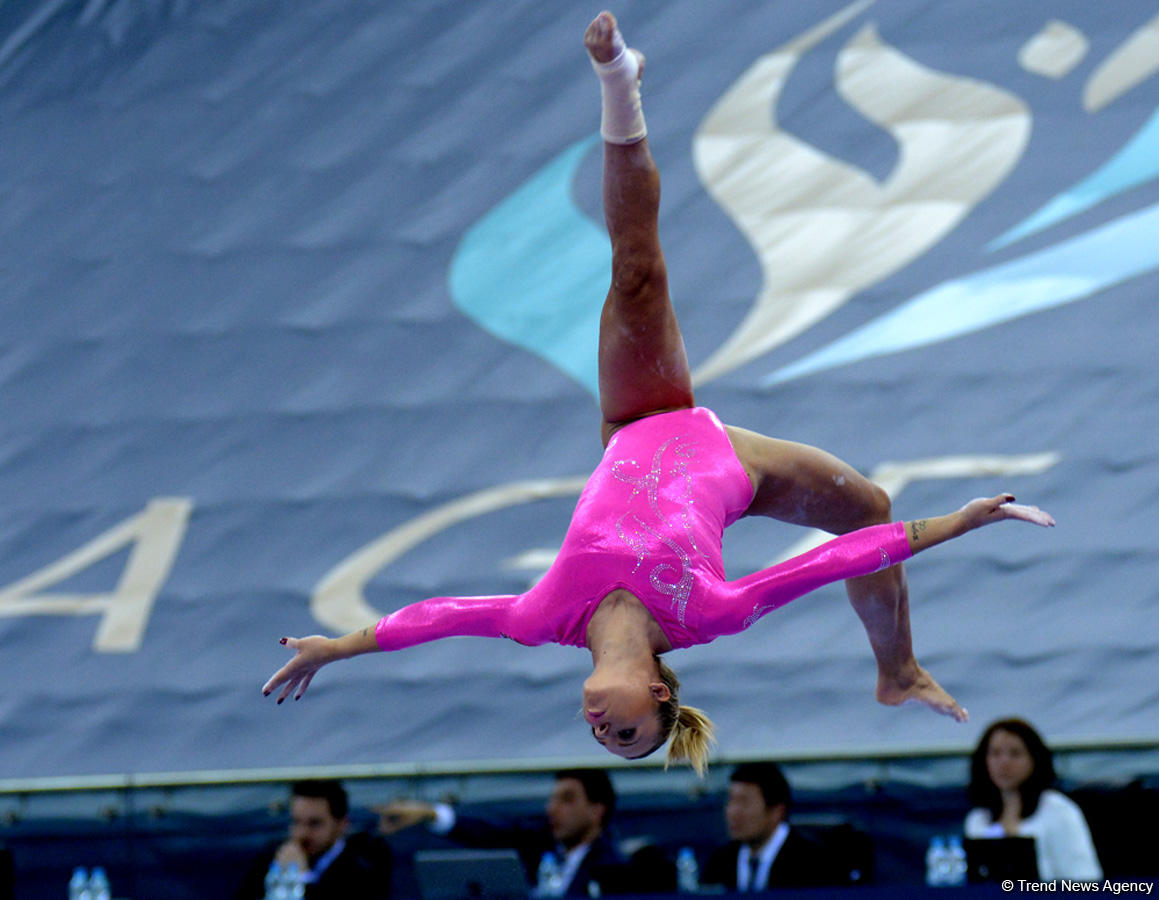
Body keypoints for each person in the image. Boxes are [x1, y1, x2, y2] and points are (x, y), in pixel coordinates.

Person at [262, 11, 1056, 775]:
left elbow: (433, 620)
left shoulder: (545, 619)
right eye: (629, 733)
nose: (601, 729)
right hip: (740, 467)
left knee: (635, 269)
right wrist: (955, 523)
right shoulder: (707, 612)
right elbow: (828, 563)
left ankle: (617, 79)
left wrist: (338, 647)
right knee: (869, 504)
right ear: (657, 690)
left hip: (641, 419)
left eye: (604, 739)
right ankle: (898, 670)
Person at [378, 769, 658, 896]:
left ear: (597, 810)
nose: (552, 809)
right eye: (553, 799)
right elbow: (490, 832)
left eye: (567, 800)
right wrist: (431, 813)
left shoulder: (615, 869)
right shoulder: (537, 843)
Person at [965, 718, 1102, 882]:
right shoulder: (978, 820)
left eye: (1015, 754)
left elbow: (1085, 877)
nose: (1004, 763)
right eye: (995, 753)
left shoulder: (1059, 811)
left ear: (1034, 759)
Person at [232, 779, 392, 900]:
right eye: (296, 822)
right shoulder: (273, 856)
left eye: (314, 824)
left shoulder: (364, 864)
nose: (302, 833)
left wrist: (301, 879)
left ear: (342, 824)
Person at [701, 762, 828, 891]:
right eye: (731, 801)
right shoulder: (719, 863)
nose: (732, 812)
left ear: (777, 812)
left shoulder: (814, 864)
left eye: (744, 803)